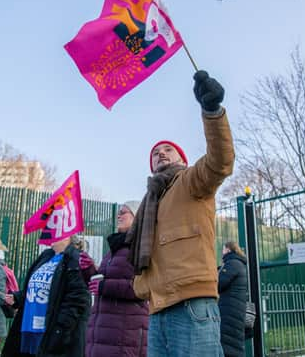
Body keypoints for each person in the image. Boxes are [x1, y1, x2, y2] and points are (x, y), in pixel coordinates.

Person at [126, 70, 235, 357]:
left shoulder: (190, 181)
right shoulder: (150, 201)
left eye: (168, 150)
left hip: (192, 305)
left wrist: (212, 112)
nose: (161, 154)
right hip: (157, 309)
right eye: (155, 152)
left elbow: (220, 161)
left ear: (183, 160)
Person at [1, 235, 91, 357]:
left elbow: (78, 299)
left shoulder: (76, 259)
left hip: (51, 330)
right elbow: (36, 287)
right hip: (29, 327)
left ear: (66, 236)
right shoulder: (46, 256)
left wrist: (61, 328)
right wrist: (18, 297)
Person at [86, 201, 148, 357]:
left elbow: (142, 288)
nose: (119, 215)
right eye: (119, 211)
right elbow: (101, 282)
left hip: (125, 334)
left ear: (137, 217)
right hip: (103, 331)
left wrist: (105, 286)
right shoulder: (114, 249)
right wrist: (88, 270)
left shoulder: (141, 248)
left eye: (124, 212)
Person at [218, 242, 248, 357]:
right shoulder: (238, 263)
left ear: (228, 250)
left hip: (229, 309)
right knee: (233, 343)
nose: (222, 252)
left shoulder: (232, 263)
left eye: (223, 249)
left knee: (229, 344)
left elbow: (220, 284)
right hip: (234, 307)